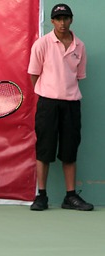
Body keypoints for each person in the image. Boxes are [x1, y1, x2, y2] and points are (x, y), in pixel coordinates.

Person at [27, 3, 93, 211]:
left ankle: (70, 197)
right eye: (58, 19)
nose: (62, 23)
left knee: (69, 150)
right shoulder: (42, 44)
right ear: (52, 21)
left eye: (66, 18)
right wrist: (49, 92)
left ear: (71, 20)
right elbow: (34, 74)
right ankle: (42, 196)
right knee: (44, 149)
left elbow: (78, 77)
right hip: (47, 104)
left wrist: (65, 93)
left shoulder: (80, 46)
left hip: (71, 105)